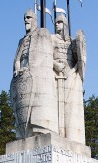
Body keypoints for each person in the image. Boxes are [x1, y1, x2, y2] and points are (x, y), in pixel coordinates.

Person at [10, 9, 58, 139]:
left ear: (35, 20)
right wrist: (17, 68)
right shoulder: (21, 40)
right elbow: (17, 59)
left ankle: (39, 130)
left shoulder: (42, 33)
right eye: (25, 18)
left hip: (38, 75)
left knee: (40, 110)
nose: (26, 20)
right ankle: (24, 132)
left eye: (29, 17)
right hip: (23, 76)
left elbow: (45, 57)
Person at [51, 14, 86, 144]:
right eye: (56, 22)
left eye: (59, 22)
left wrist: (74, 70)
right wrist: (55, 65)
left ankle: (68, 136)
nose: (56, 24)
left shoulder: (71, 41)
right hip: (55, 75)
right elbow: (45, 55)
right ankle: (58, 134)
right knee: (56, 108)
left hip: (69, 76)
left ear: (65, 24)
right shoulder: (51, 39)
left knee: (68, 108)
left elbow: (80, 59)